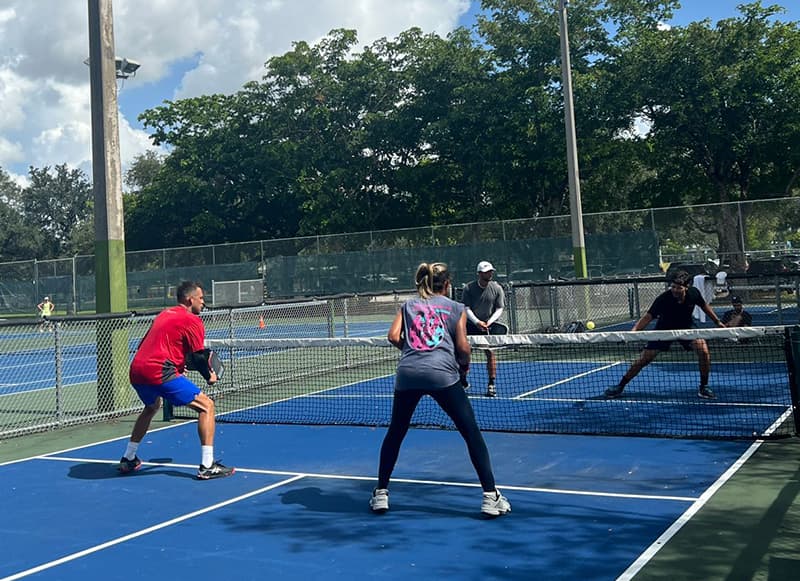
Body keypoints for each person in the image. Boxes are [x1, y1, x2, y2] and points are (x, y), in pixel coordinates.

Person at [370, 262, 510, 517]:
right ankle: (491, 496)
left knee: (396, 432)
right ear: (447, 285)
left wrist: (413, 352)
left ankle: (381, 493)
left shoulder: (408, 305)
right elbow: (464, 349)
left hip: (408, 373)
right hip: (443, 374)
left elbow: (393, 336)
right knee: (470, 432)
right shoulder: (456, 308)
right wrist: (463, 368)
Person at [118, 280, 234, 480]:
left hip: (137, 369)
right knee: (207, 406)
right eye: (201, 298)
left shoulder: (164, 314)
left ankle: (128, 458)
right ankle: (207, 466)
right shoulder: (193, 320)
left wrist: (179, 367)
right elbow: (198, 355)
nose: (203, 302)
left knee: (151, 407)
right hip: (159, 371)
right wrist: (209, 376)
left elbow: (149, 344)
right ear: (190, 300)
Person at [604, 270, 726, 400]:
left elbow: (704, 306)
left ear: (686, 287)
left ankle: (704, 387)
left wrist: (717, 322)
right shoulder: (663, 299)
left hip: (686, 327)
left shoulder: (694, 293)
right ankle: (620, 386)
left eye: (678, 288)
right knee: (644, 359)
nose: (674, 290)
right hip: (664, 329)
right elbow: (648, 317)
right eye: (672, 287)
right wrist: (632, 333)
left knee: (703, 351)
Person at [461, 260, 505, 397]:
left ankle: (491, 384)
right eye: (486, 272)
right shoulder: (468, 289)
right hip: (470, 326)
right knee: (465, 355)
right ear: (479, 274)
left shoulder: (497, 288)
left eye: (491, 271)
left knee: (490, 353)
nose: (490, 274)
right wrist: (477, 322)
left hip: (488, 327)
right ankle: (462, 380)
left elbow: (499, 308)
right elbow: (466, 308)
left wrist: (489, 322)